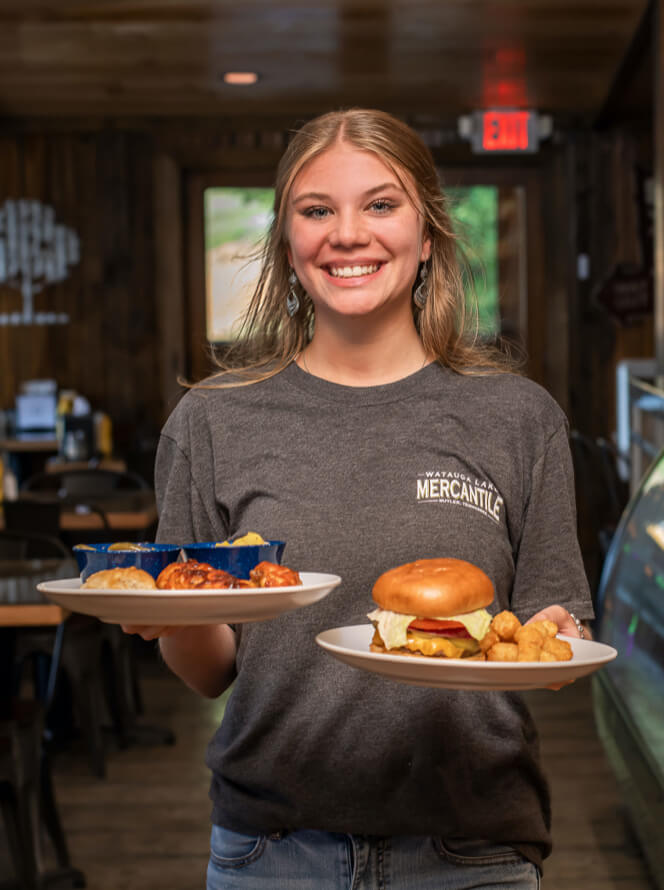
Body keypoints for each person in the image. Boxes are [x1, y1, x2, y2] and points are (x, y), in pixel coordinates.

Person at [124, 108, 594, 889]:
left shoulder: (519, 417)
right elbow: (209, 673)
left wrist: (556, 634)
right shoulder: (212, 420)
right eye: (317, 210)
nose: (348, 234)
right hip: (270, 853)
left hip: (471, 851)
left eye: (381, 204)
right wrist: (173, 615)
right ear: (287, 240)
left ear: (428, 233)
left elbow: (549, 634)